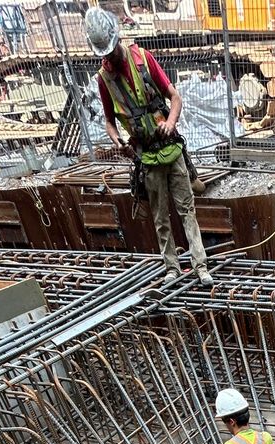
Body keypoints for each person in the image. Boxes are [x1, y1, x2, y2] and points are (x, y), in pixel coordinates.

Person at [85, 7, 211, 285]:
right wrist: (116, 139)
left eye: (110, 50)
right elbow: (109, 120)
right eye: (103, 54)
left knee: (186, 209)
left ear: (118, 39)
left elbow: (175, 98)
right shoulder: (104, 79)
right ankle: (172, 268)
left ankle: (200, 265)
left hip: (171, 147)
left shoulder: (143, 59)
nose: (108, 57)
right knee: (159, 216)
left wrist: (171, 122)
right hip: (147, 156)